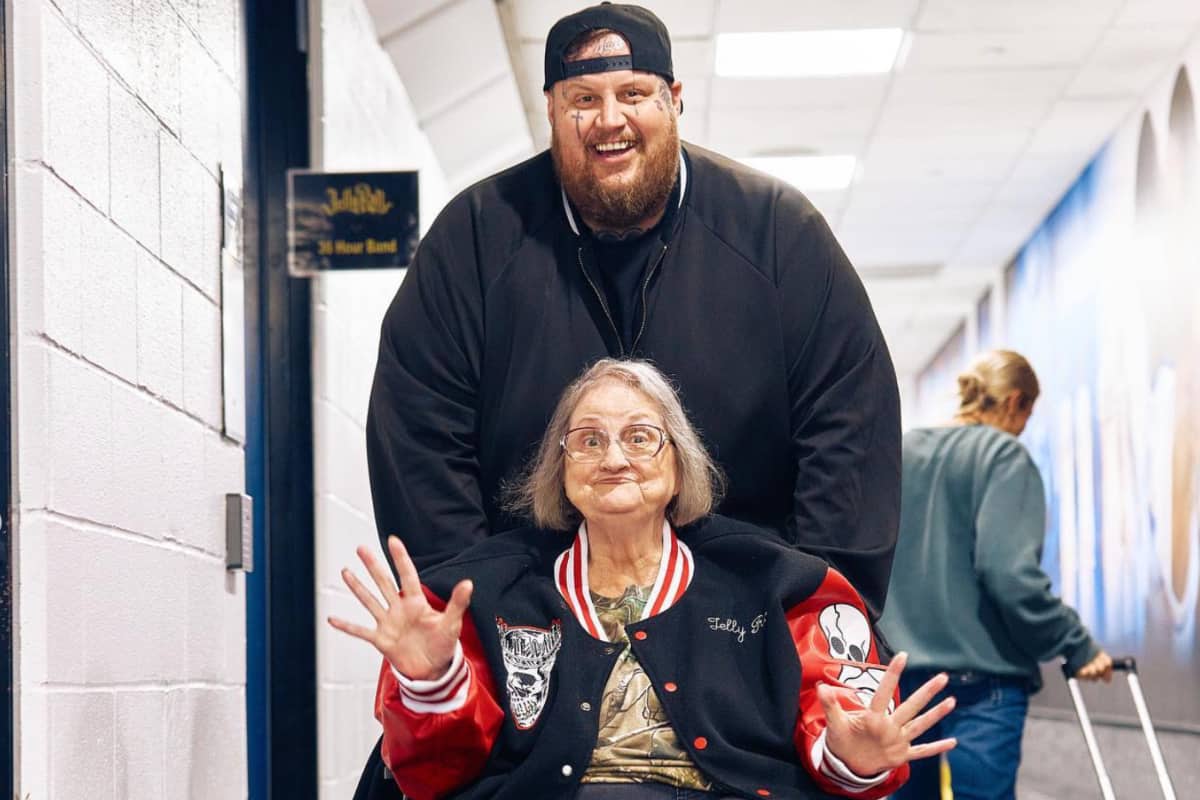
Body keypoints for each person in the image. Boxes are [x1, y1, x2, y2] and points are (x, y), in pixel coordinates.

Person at [365, 2, 901, 622]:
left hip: (745, 625)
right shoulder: (474, 242)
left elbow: (849, 429)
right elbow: (421, 440)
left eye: (633, 93)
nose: (609, 120)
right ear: (551, 110)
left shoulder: (779, 235)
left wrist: (818, 615)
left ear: (673, 98)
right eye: (582, 99)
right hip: (536, 626)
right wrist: (477, 617)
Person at [335, 359, 955, 800]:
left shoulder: (779, 584)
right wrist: (432, 681)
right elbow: (433, 777)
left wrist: (852, 758)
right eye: (588, 440)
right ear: (562, 471)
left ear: (681, 467)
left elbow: (840, 729)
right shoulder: (479, 593)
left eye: (639, 437)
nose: (613, 458)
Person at [878, 349, 1113, 800]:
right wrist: (1077, 644)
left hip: (902, 680)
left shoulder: (903, 451)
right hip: (981, 683)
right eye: (1027, 412)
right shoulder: (1003, 456)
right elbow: (1009, 575)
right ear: (1013, 403)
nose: (1025, 426)